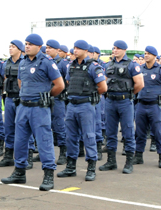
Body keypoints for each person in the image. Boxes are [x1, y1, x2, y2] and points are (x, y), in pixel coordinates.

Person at [1, 34, 64, 191]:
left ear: (38, 46)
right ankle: (19, 172)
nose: (27, 46)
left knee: (44, 141)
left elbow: (60, 85)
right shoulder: (23, 62)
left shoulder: (46, 62)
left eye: (30, 44)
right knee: (20, 141)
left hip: (39, 108)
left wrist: (46, 96)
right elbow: (21, 83)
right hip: (23, 107)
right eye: (26, 44)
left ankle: (48, 174)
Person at [57, 40, 106, 181]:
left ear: (86, 51)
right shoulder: (71, 66)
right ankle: (71, 167)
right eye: (74, 48)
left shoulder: (93, 66)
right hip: (72, 105)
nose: (75, 50)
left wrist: (90, 94)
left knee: (89, 136)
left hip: (86, 105)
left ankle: (91, 168)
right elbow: (68, 83)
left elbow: (103, 87)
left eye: (78, 48)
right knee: (70, 137)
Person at [100, 40, 144, 174]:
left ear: (124, 50)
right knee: (110, 132)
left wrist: (129, 94)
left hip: (125, 101)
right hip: (111, 101)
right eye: (114, 48)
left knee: (128, 132)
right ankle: (111, 161)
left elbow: (139, 84)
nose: (115, 50)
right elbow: (105, 82)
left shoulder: (132, 65)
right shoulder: (109, 65)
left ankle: (129, 162)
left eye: (118, 48)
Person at [0, 40, 36, 169]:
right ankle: (8, 156)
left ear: (20, 49)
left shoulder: (25, 62)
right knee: (8, 128)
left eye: (13, 47)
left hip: (21, 99)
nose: (10, 49)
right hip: (9, 98)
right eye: (9, 46)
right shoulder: (6, 62)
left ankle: (28, 156)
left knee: (25, 128)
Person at [133, 46, 161, 168]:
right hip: (141, 105)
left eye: (149, 54)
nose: (146, 55)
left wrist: (159, 97)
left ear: (154, 56)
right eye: (145, 53)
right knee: (140, 131)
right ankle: (139, 155)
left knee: (158, 131)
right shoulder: (139, 69)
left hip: (155, 105)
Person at [45, 39, 69, 164]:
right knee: (45, 127)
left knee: (59, 126)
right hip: (46, 99)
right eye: (46, 48)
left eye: (50, 48)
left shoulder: (63, 63)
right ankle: (46, 153)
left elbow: (68, 81)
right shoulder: (45, 62)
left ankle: (63, 153)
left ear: (57, 50)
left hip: (58, 99)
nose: (47, 50)